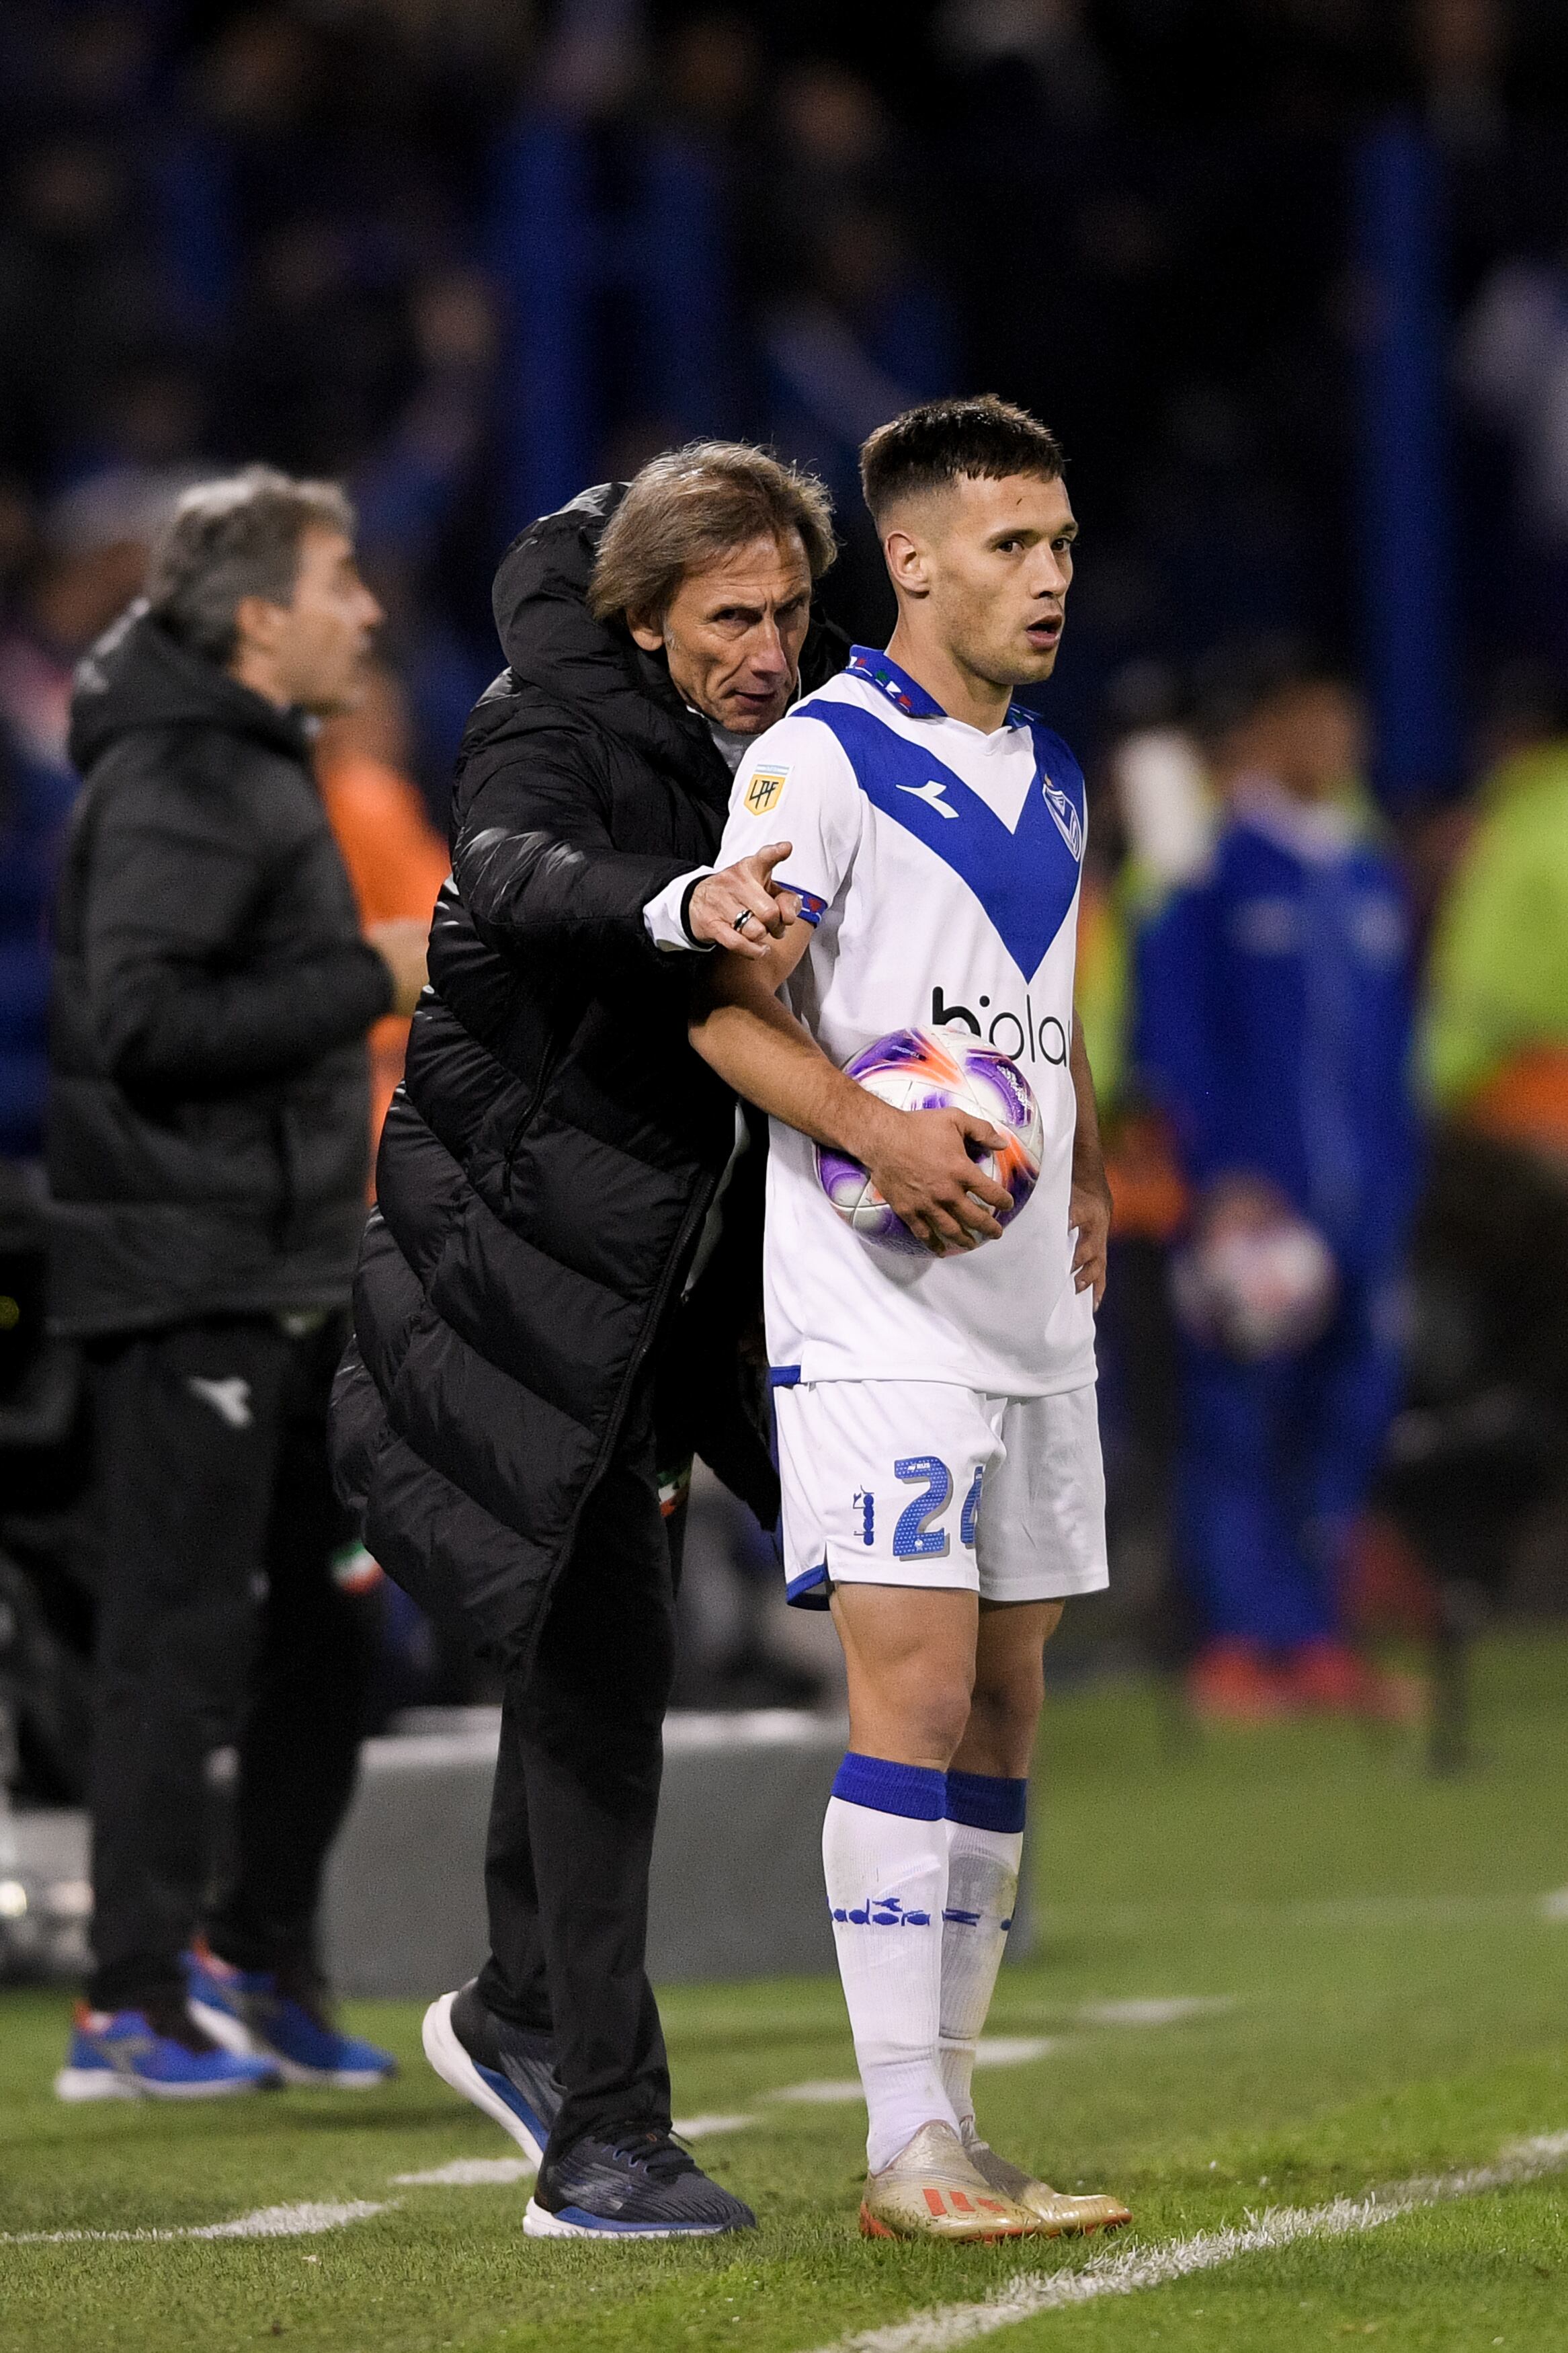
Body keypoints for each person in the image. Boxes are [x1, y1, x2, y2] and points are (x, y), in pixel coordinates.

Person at [332, 445, 844, 2237]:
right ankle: (602, 2139)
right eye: (732, 618)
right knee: (595, 1694)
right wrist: (682, 903)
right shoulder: (543, 720)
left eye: (788, 610)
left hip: (653, 1298)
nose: (772, 646)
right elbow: (512, 865)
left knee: (595, 1670)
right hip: (514, 1299)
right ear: (642, 620)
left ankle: (520, 2010)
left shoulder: (743, 691)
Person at [689, 395, 1132, 2242]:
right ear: (915, 558)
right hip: (875, 1288)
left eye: (1060, 547)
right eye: (1011, 548)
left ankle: (952, 2122)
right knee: (920, 1685)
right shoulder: (817, 759)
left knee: (1010, 1700)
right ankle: (900, 2145)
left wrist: (1088, 1154)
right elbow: (720, 1008)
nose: (1046, 580)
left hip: (1030, 1291)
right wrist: (873, 1126)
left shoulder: (1052, 772)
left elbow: (1035, 995)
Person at [47, 467, 427, 2100]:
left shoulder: (251, 762)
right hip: (188, 1276)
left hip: (286, 1265)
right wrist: (370, 975)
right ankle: (125, 2005)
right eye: (342, 578)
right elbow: (142, 1022)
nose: (372, 609)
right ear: (261, 614)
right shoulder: (184, 771)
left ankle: (252, 1963)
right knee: (178, 1640)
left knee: (341, 1633)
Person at [1134, 665, 1419, 1718]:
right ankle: (1241, 1647)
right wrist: (1218, 1178)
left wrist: (1398, 1186)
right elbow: (1175, 1033)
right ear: (1260, 731)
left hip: (1361, 1213)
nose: (1331, 741)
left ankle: (1315, 1642)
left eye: (1343, 720)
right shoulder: (1209, 867)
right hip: (1254, 1208)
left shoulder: (1358, 868)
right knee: (1241, 1421)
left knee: (1344, 1424)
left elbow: (1392, 1053)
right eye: (1307, 721)